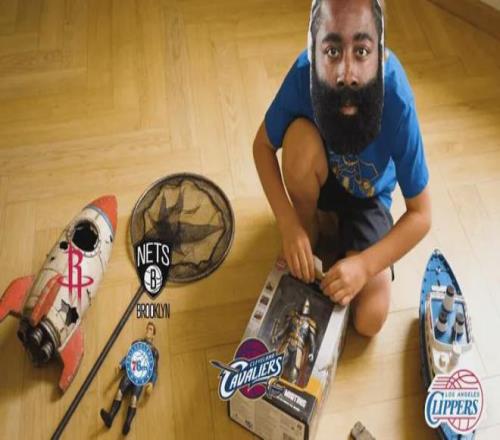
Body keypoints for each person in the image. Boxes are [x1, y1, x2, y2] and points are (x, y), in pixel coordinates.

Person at [253, 0, 431, 337]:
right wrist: (289, 224)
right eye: (332, 50)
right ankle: (310, 226)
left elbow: (421, 214)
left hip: (369, 198)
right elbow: (262, 146)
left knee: (370, 319)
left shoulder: (396, 96)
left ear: (380, 50)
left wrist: (364, 265)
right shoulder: (304, 74)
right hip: (319, 176)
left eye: (361, 51)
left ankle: (336, 233)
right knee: (298, 141)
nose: (346, 73)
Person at [100, 321, 159, 435]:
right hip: (130, 372)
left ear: (153, 335)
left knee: (134, 399)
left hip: (140, 377)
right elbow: (129, 356)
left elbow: (154, 370)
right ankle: (110, 416)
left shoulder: (154, 352)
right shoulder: (137, 343)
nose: (148, 331)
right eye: (147, 328)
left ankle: (127, 423)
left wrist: (152, 383)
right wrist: (121, 365)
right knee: (119, 392)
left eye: (150, 329)